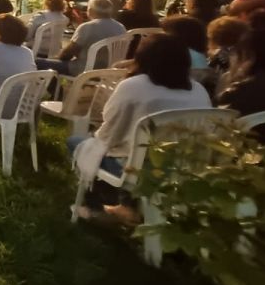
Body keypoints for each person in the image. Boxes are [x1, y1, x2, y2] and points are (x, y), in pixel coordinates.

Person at [71, 34, 211, 211]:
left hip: (135, 168)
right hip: (184, 167)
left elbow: (111, 129)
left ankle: (99, 206)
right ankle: (125, 204)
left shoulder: (133, 86)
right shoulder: (199, 91)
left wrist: (98, 137)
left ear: (142, 57)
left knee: (77, 143)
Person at [37, 0, 126, 76]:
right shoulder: (120, 27)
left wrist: (56, 58)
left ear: (90, 10)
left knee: (37, 62)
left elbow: (67, 54)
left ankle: (53, 89)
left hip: (84, 71)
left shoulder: (87, 27)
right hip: (110, 71)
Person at [216, 30, 265, 118]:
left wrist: (231, 81)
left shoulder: (236, 95)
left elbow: (217, 121)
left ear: (250, 58)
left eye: (238, 54)